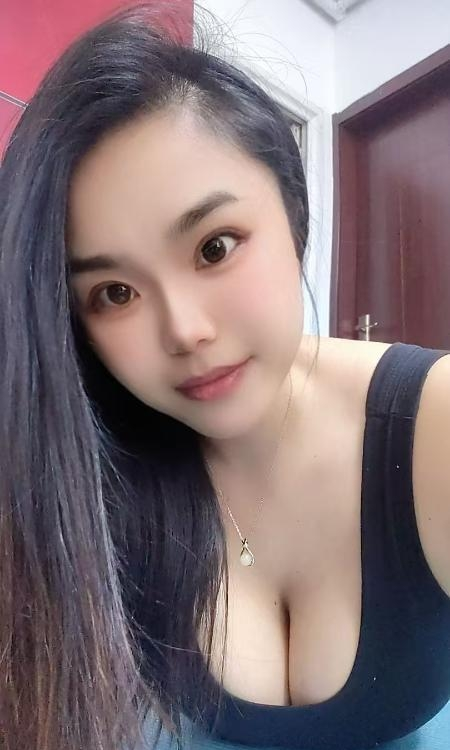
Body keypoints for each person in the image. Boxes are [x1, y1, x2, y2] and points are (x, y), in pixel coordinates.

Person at [1, 4, 449, 750]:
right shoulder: (85, 472)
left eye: (215, 247)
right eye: (114, 293)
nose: (184, 331)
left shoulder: (433, 427)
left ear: (294, 214)